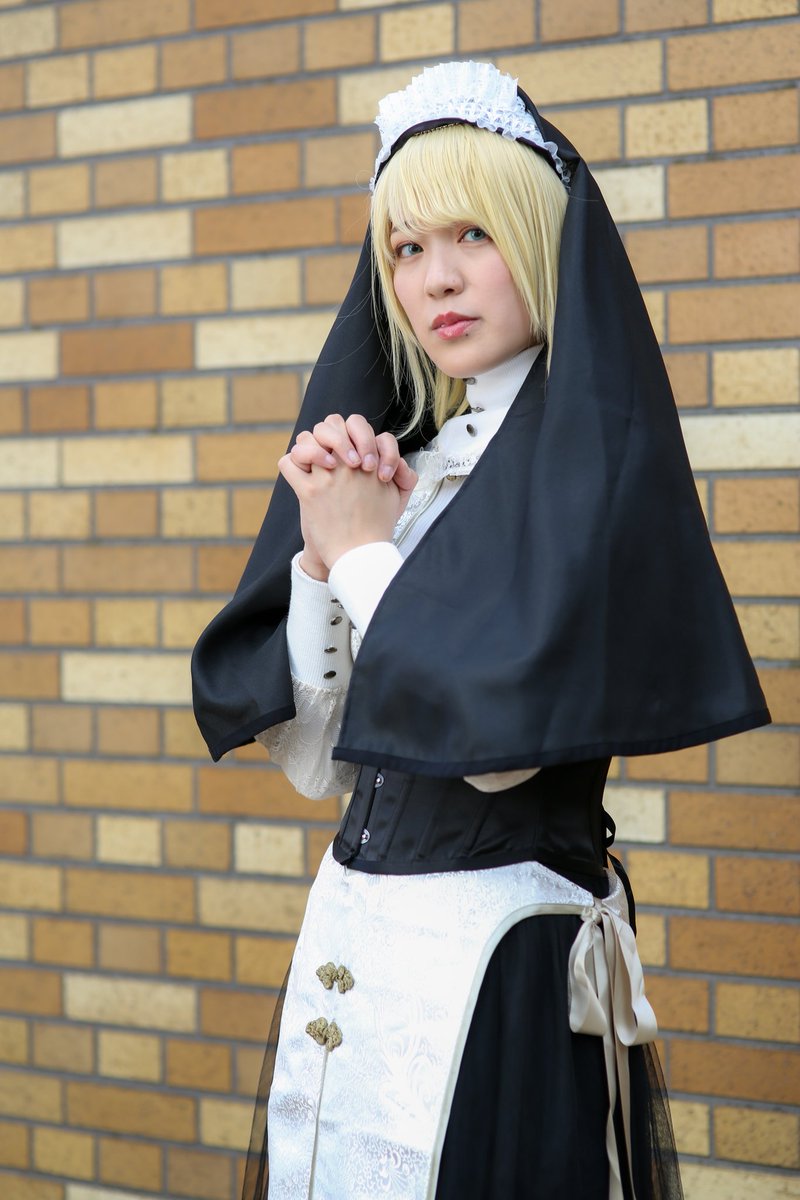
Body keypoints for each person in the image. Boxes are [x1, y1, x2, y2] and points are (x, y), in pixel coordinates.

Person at [192, 62, 769, 1200]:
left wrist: (366, 554)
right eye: (405, 247)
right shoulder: (413, 461)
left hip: (492, 963)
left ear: (540, 237)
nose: (436, 278)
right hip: (352, 950)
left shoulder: (586, 467)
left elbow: (499, 757)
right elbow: (318, 767)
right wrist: (318, 557)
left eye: (472, 234)